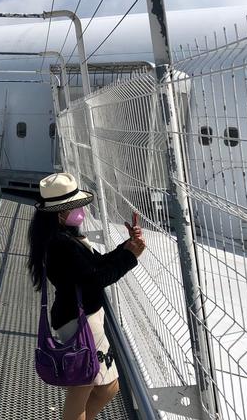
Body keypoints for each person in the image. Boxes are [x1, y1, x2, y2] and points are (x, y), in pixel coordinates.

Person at [28, 172, 145, 420]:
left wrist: (126, 248)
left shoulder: (64, 238)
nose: (81, 210)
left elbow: (94, 266)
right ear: (60, 213)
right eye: (76, 206)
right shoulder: (61, 244)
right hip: (80, 322)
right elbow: (95, 280)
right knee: (82, 392)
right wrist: (130, 257)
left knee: (108, 387)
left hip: (83, 318)